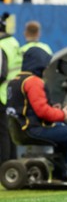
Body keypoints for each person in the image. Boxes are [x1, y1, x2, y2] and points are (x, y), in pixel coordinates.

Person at [6, 46, 67, 183]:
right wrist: (62, 114)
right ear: (38, 62)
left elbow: (28, 107)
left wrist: (52, 108)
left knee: (63, 132)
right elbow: (42, 112)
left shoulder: (14, 81)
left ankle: (59, 174)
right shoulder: (34, 82)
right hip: (34, 129)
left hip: (21, 129)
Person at [0, 12, 22, 165]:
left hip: (2, 94)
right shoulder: (13, 41)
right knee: (10, 131)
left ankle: (4, 167)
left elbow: (1, 73)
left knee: (2, 133)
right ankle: (12, 164)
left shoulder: (1, 45)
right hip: (14, 92)